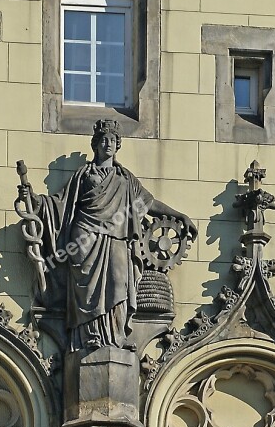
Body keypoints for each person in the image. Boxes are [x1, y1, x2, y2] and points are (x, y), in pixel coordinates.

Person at [21, 119, 197, 352]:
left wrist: (179, 216)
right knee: (86, 289)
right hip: (85, 237)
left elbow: (148, 203)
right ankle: (87, 336)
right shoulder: (83, 175)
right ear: (95, 145)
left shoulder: (125, 178)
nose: (108, 144)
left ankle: (114, 336)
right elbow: (60, 205)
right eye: (103, 140)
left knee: (118, 283)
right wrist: (35, 201)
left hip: (116, 239)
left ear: (118, 145)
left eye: (112, 140)